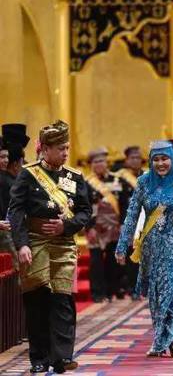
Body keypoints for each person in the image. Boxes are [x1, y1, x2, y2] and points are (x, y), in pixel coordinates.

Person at [8, 120, 91, 374]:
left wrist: (66, 226)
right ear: (44, 149)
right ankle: (40, 358)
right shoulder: (28, 174)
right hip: (35, 244)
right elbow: (16, 212)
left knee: (63, 300)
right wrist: (22, 244)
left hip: (63, 244)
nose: (65, 153)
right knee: (37, 301)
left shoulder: (75, 177)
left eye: (67, 148)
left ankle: (63, 357)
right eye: (60, 149)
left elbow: (85, 212)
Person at [115, 141, 173, 357]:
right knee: (157, 292)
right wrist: (122, 244)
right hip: (151, 246)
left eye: (164, 159)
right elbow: (132, 214)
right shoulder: (144, 182)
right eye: (156, 159)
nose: (160, 163)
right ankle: (161, 338)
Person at [85, 148, 132, 302]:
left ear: (107, 163)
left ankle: (112, 291)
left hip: (115, 227)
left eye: (102, 161)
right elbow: (83, 207)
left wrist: (124, 223)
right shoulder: (86, 183)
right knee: (96, 262)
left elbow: (125, 204)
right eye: (95, 162)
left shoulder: (118, 180)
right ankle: (98, 294)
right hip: (96, 228)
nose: (99, 164)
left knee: (113, 261)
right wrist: (89, 227)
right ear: (91, 164)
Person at [116, 146, 145, 299]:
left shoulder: (147, 176)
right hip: (129, 222)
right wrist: (121, 223)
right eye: (132, 158)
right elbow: (119, 204)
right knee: (131, 256)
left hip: (146, 221)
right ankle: (133, 288)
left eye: (138, 158)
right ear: (126, 160)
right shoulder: (121, 178)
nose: (135, 161)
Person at [0, 124, 30, 268]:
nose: (5, 160)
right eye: (2, 157)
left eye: (7, 157)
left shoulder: (10, 178)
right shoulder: (7, 180)